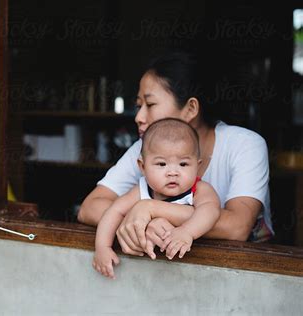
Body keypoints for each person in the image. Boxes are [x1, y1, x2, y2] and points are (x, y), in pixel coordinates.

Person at [78, 52, 274, 259]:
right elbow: (89, 208)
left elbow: (236, 227)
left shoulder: (244, 145)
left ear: (190, 108)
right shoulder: (144, 148)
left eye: (150, 105)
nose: (138, 117)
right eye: (138, 106)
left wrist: (151, 208)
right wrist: (148, 224)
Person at [93, 118, 220, 279]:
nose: (172, 172)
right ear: (143, 167)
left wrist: (187, 232)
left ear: (197, 165)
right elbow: (113, 211)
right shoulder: (141, 189)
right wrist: (102, 247)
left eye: (183, 164)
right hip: (147, 273)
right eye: (161, 164)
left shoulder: (199, 190)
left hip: (190, 271)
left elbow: (211, 211)